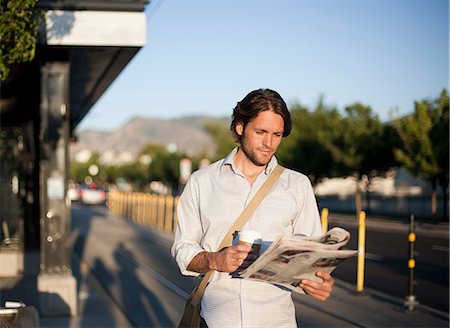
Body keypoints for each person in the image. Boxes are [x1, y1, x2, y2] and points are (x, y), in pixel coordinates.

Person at [171, 88, 334, 327]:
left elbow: (309, 257)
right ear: (240, 127)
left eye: (277, 135)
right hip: (215, 321)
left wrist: (318, 282)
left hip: (277, 321)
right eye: (261, 132)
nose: (269, 143)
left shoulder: (297, 185)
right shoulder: (201, 181)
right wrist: (215, 259)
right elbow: (183, 249)